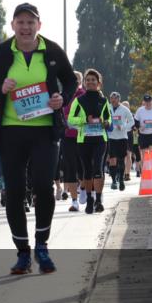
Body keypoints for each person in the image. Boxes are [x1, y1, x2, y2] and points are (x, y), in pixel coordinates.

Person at [0, 2, 77, 275]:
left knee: (44, 186)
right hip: (11, 132)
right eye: (20, 22)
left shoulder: (52, 51)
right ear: (13, 26)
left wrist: (61, 99)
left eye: (30, 22)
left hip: (45, 131)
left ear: (39, 26)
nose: (26, 27)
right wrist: (1, 88)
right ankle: (22, 252)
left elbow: (70, 82)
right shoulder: (1, 53)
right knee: (15, 192)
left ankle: (41, 247)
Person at [67, 69, 112, 214]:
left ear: (99, 83)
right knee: (87, 170)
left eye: (93, 80)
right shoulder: (79, 101)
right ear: (85, 83)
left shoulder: (104, 101)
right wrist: (84, 120)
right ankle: (90, 200)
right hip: (84, 139)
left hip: (100, 139)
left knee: (98, 168)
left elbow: (108, 118)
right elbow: (70, 120)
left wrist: (106, 123)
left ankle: (98, 200)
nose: (90, 82)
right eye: (88, 80)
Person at [60, 72, 86, 212]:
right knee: (70, 168)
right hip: (67, 136)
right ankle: (74, 201)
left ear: (81, 81)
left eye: (77, 80)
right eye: (72, 79)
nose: (74, 82)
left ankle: (83, 187)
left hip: (82, 136)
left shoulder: (83, 95)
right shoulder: (63, 96)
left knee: (83, 167)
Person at [106, 91, 134, 190]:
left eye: (115, 98)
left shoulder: (124, 109)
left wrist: (123, 127)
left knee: (121, 159)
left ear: (119, 99)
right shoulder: (107, 107)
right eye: (111, 98)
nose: (113, 100)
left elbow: (132, 121)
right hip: (111, 137)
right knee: (112, 159)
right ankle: (114, 181)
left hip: (122, 137)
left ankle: (121, 180)